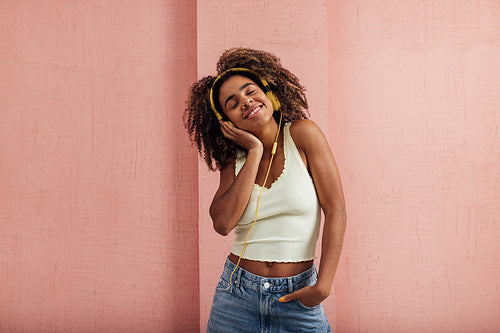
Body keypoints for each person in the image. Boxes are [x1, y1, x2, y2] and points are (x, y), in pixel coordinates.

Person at [184, 47, 346, 332]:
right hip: (236, 295)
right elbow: (222, 223)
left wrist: (324, 286)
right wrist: (255, 150)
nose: (245, 102)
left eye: (250, 91)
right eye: (233, 103)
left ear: (269, 93)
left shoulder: (303, 134)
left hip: (297, 296)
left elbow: (336, 211)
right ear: (226, 121)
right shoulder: (234, 160)